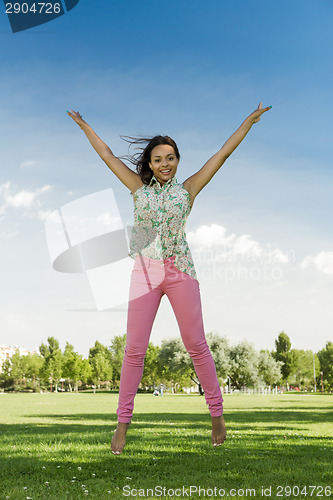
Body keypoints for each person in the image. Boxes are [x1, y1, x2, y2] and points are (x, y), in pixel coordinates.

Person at [67, 102, 272, 455]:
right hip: (145, 274)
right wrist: (85, 127)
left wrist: (248, 123)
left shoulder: (187, 190)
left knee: (197, 346)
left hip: (181, 273)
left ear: (178, 160)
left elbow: (222, 154)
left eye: (171, 157)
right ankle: (121, 427)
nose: (165, 163)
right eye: (159, 159)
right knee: (134, 351)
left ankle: (218, 416)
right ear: (149, 163)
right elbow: (107, 156)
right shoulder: (137, 190)